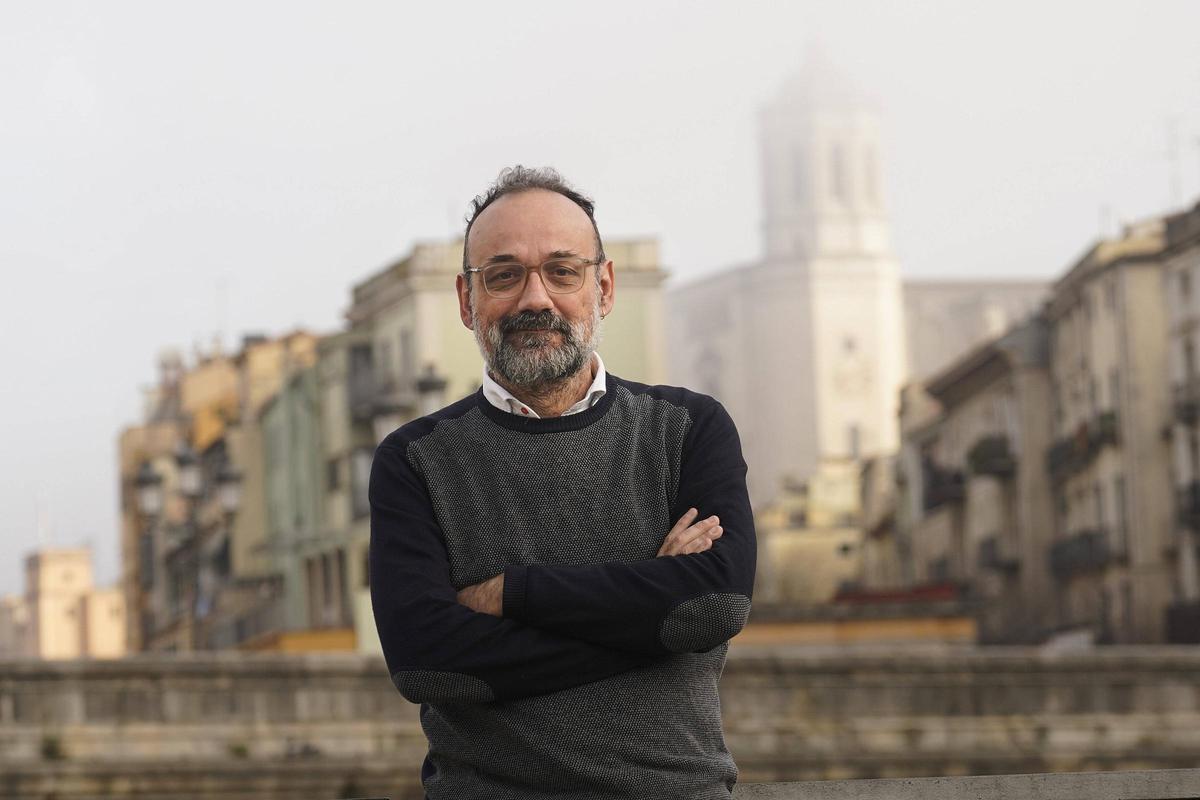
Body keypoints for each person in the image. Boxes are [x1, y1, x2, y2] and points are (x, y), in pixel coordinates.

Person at [369, 166, 756, 800]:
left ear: (603, 287)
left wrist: (515, 594)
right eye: (503, 275)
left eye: (562, 271)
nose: (534, 299)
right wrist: (653, 622)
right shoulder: (415, 462)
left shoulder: (690, 429)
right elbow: (429, 663)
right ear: (468, 302)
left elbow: (715, 603)